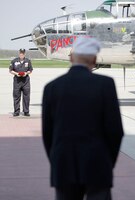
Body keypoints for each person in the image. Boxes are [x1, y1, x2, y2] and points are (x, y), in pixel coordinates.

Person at [42, 37, 124, 200]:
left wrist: (57, 160)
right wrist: (108, 161)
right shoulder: (105, 84)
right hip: (97, 163)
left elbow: (47, 134)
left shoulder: (52, 87)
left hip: (63, 164)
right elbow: (115, 131)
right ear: (94, 60)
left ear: (72, 58)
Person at [9, 48, 33, 116]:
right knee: (16, 96)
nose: (21, 54)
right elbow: (10, 70)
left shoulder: (28, 61)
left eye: (23, 53)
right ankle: (16, 111)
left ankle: (26, 111)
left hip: (26, 81)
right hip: (17, 81)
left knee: (26, 97)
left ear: (24, 54)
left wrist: (26, 73)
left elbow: (30, 70)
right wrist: (16, 74)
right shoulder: (14, 61)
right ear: (19, 53)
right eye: (20, 53)